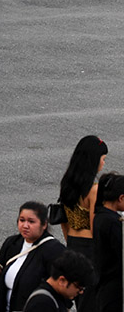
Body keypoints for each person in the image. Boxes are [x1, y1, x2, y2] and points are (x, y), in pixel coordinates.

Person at [57, 133, 108, 311]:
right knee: (93, 299)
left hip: (72, 244)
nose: (104, 163)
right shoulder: (95, 190)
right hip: (90, 248)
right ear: (94, 161)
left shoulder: (67, 184)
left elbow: (64, 220)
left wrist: (69, 244)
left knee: (79, 296)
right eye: (103, 159)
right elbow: (97, 227)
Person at [0, 202, 67, 312]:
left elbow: (63, 289)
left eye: (31, 221)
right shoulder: (12, 243)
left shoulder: (54, 250)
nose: (25, 225)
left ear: (44, 225)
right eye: (22, 220)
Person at [20, 251, 95, 312]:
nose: (81, 292)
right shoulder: (42, 304)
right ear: (62, 281)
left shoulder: (56, 297)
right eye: (79, 287)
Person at [92, 172, 124, 312]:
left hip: (103, 281)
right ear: (121, 198)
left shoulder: (100, 215)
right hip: (115, 285)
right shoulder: (113, 222)